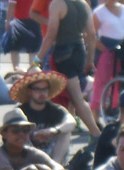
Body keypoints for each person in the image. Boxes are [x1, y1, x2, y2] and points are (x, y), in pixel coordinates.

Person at [33, 0, 100, 138]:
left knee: (75, 98)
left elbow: (51, 34)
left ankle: (97, 135)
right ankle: (67, 133)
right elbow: (92, 34)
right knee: (71, 98)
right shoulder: (84, 4)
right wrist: (90, 60)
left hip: (63, 52)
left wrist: (37, 59)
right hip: (80, 51)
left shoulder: (57, 4)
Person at [12, 70, 75, 164]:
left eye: (45, 89)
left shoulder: (55, 109)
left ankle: (55, 167)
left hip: (52, 153)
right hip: (28, 153)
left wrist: (54, 130)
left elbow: (71, 122)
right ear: (29, 91)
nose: (42, 93)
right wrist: (33, 135)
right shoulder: (20, 111)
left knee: (66, 133)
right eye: (37, 89)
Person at [89, 0, 124, 119]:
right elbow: (91, 34)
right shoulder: (98, 12)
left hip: (123, 51)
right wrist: (103, 48)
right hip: (107, 50)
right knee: (101, 84)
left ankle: (117, 115)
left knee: (121, 83)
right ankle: (95, 121)